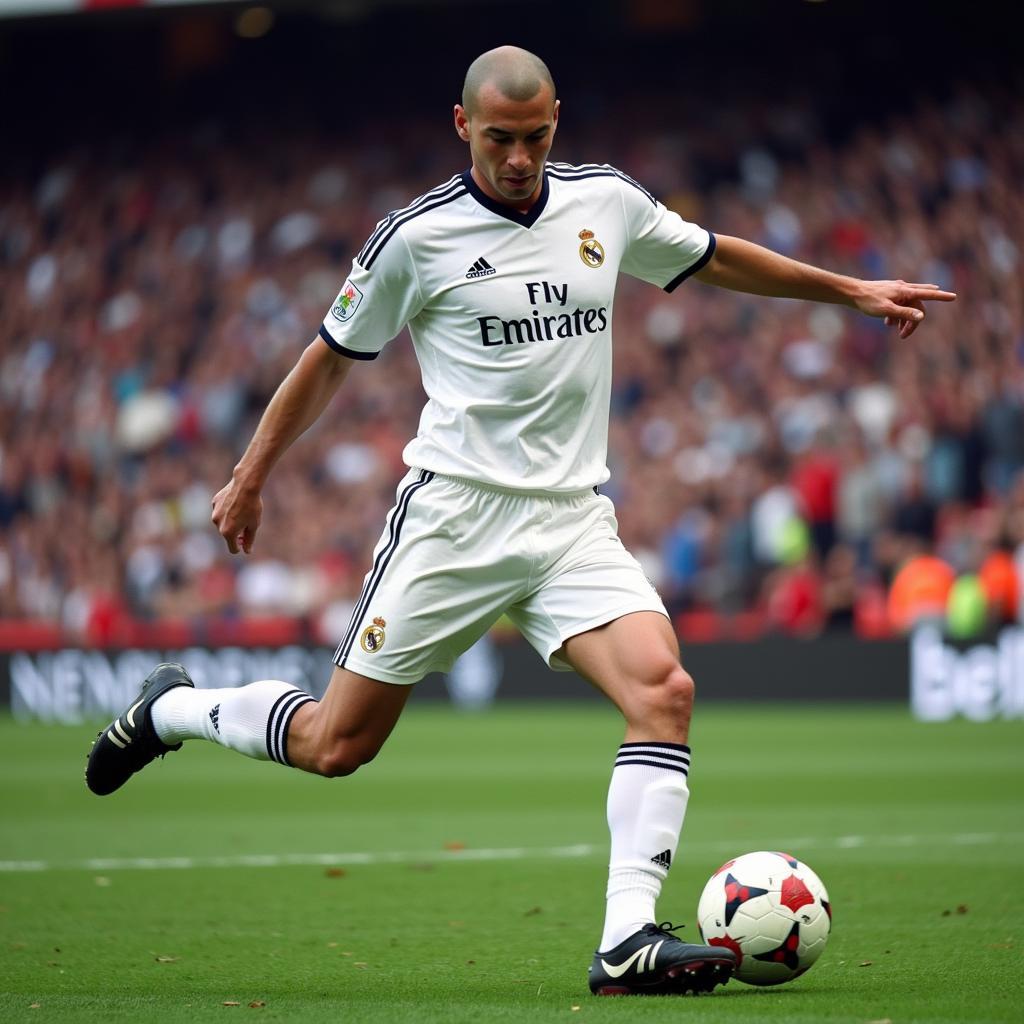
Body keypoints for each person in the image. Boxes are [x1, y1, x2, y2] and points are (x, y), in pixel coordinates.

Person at [85, 45, 956, 996]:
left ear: (556, 121)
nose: (519, 157)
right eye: (500, 138)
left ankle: (626, 940)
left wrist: (852, 292)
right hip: (454, 522)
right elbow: (329, 357)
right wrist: (249, 476)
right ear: (462, 126)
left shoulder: (604, 203)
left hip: (572, 520)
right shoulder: (412, 239)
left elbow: (711, 257)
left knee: (663, 691)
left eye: (536, 137)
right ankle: (170, 709)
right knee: (337, 747)